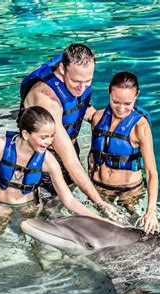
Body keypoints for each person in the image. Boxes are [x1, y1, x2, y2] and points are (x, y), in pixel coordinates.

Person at [0, 106, 103, 237]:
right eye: (44, 137)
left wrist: (99, 220)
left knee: (34, 243)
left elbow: (68, 199)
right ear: (26, 134)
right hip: (0, 205)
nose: (49, 142)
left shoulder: (48, 160)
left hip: (29, 207)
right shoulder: (0, 146)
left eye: (52, 136)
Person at [19, 43, 119, 219]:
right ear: (62, 68)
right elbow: (69, 159)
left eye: (88, 81)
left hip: (67, 151)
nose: (82, 88)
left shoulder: (77, 78)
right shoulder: (46, 99)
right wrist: (100, 204)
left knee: (68, 199)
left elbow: (79, 109)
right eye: (76, 82)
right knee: (48, 211)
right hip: (41, 161)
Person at [88, 71, 159, 233]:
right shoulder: (98, 118)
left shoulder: (141, 127)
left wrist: (151, 211)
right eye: (115, 102)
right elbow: (93, 155)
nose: (121, 108)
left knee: (133, 232)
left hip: (129, 193)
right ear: (109, 94)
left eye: (127, 103)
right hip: (99, 188)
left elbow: (151, 172)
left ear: (136, 96)